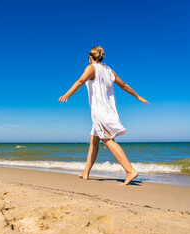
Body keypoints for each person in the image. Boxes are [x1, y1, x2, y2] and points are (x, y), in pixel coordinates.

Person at [59, 46, 150, 185]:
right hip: (108, 110)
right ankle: (86, 173)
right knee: (93, 140)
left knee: (106, 139)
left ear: (90, 57)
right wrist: (138, 96)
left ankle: (130, 170)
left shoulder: (91, 68)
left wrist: (67, 94)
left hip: (99, 111)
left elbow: (81, 81)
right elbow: (123, 85)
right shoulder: (109, 70)